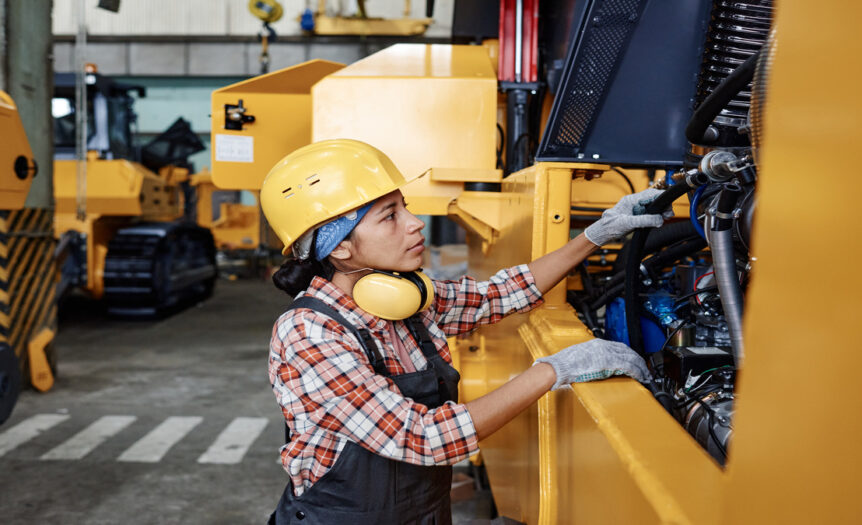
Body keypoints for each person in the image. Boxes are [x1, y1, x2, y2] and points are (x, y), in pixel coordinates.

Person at [261, 139, 666, 524]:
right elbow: (422, 437)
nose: (415, 224)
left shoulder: (406, 300)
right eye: (390, 216)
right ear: (339, 247)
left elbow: (501, 294)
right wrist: (555, 370)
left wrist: (596, 235)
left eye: (406, 208)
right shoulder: (310, 332)